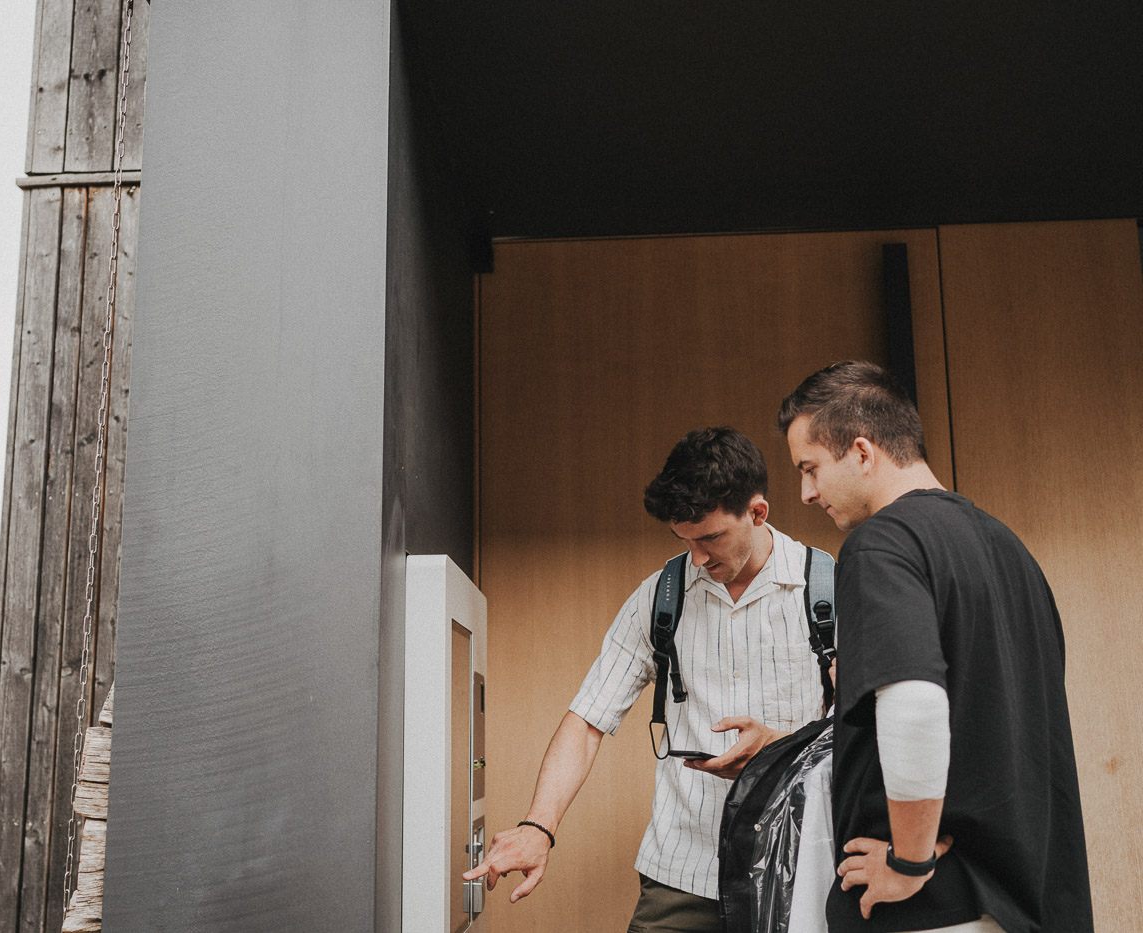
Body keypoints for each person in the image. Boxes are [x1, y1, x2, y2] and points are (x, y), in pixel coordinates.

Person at [464, 427, 827, 932]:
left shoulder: (829, 590)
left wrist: (777, 749)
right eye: (683, 540)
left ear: (757, 512)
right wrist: (538, 827)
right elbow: (588, 720)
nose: (697, 557)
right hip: (681, 872)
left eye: (710, 538)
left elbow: (869, 729)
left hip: (802, 867)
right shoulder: (661, 595)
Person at [778, 361, 1092, 933]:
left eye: (811, 468)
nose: (806, 492)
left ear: (863, 452)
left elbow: (917, 704)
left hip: (928, 908)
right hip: (1016, 900)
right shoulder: (1011, 551)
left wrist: (909, 860)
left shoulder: (882, 545)